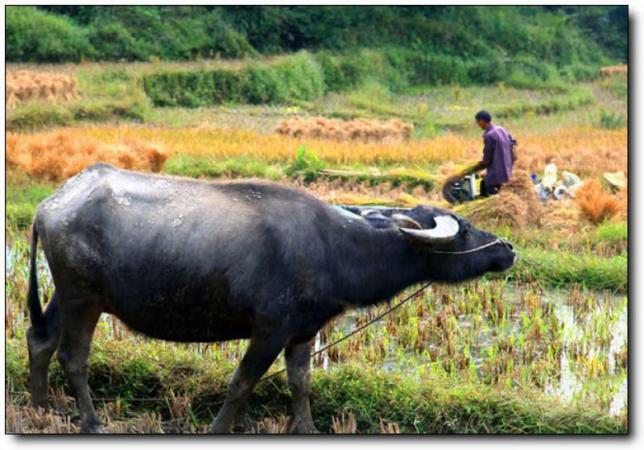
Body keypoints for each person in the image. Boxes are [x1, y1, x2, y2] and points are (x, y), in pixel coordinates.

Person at [464, 110, 516, 197]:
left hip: (496, 174)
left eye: (478, 122)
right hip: (507, 171)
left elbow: (488, 157)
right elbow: (513, 143)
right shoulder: (501, 130)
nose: (478, 125)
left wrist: (480, 165)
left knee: (486, 189)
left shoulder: (489, 135)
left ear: (482, 121)